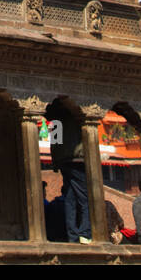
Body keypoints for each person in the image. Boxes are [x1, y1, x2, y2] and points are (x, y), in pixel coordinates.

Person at [48, 101, 91, 242]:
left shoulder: (56, 122)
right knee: (86, 197)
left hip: (63, 161)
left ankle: (72, 235)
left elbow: (54, 143)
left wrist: (55, 162)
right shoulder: (77, 117)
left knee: (70, 198)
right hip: (77, 159)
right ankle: (85, 233)